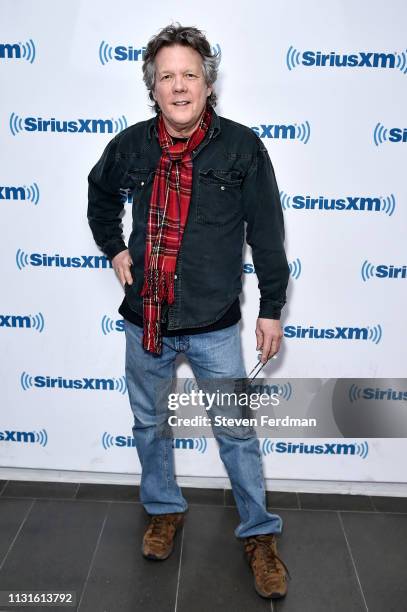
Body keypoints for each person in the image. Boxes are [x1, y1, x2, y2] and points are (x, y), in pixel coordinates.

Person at [88, 23, 290, 600]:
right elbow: (100, 191)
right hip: (144, 319)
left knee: (235, 433)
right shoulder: (132, 145)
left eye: (190, 75)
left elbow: (268, 234)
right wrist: (115, 246)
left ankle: (258, 533)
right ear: (153, 88)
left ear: (208, 83)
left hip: (214, 324)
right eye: (168, 77)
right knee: (150, 423)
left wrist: (270, 308)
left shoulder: (242, 147)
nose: (179, 87)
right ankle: (164, 510)